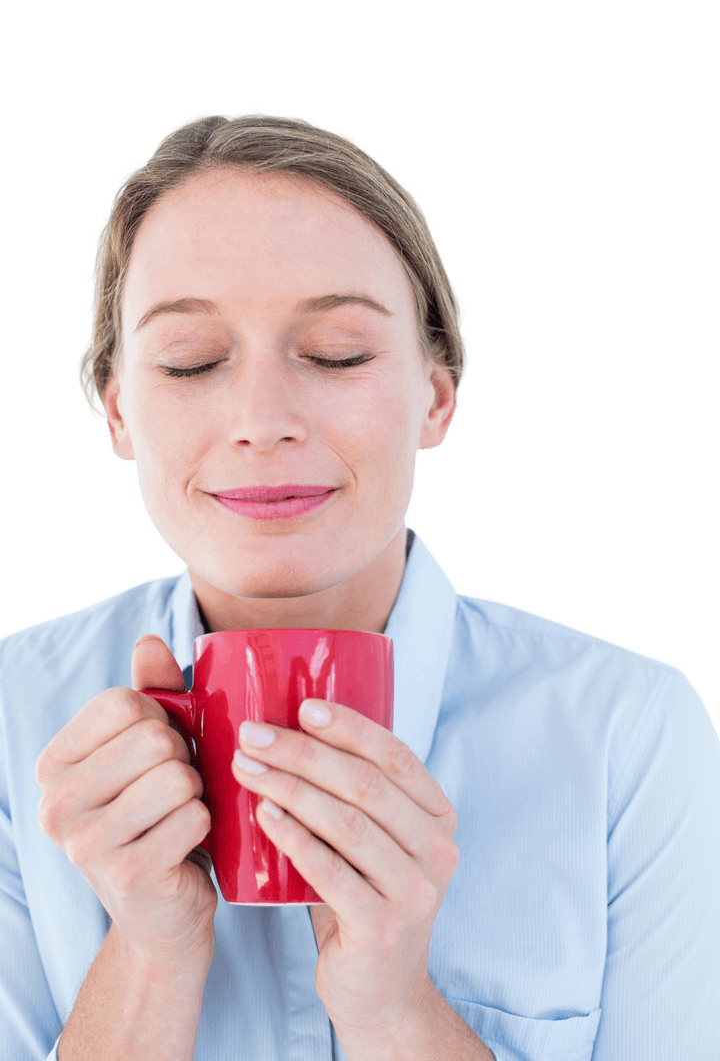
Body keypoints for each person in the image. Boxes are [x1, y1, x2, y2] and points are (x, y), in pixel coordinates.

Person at [0, 110, 718, 1061]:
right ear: (119, 410)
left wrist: (393, 1012)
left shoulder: (633, 735)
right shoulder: (11, 717)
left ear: (437, 395)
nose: (263, 420)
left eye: (338, 353)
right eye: (191, 361)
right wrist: (145, 961)